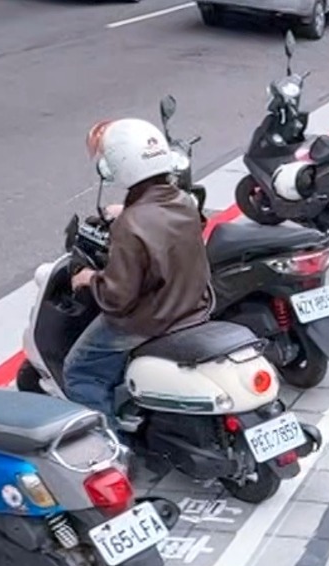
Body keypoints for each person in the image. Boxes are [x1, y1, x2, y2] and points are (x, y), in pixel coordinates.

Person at [66, 118, 214, 427]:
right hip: (193, 305)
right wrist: (129, 209)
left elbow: (116, 297)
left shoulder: (130, 225)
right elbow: (164, 219)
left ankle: (108, 453)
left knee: (80, 370)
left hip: (150, 319)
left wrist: (88, 278)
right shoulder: (184, 201)